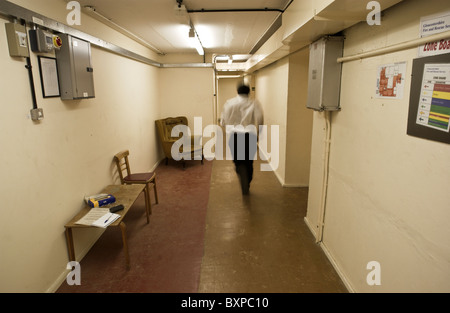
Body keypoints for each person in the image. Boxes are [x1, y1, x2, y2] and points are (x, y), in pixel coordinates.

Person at [220, 83, 264, 195]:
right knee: (249, 162)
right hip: (250, 135)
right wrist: (258, 133)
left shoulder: (229, 103)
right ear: (249, 92)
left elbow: (223, 121)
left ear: (237, 92)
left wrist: (228, 129)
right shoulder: (254, 103)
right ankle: (247, 181)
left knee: (238, 161)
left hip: (235, 135)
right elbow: (260, 120)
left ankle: (240, 170)